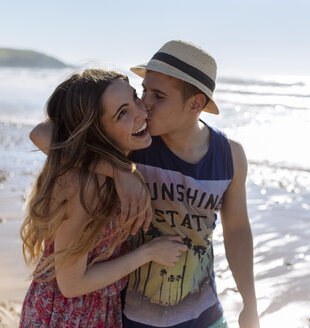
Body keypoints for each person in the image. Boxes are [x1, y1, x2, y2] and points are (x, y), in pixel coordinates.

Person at [31, 41, 260, 328]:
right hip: (133, 316)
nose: (145, 104)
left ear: (195, 103)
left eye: (158, 96)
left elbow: (237, 230)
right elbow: (43, 133)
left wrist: (249, 304)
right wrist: (120, 171)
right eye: (144, 91)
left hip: (205, 314)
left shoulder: (230, 155)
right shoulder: (134, 145)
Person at [20, 68, 188, 328]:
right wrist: (150, 252)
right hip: (67, 318)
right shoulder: (86, 185)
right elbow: (71, 284)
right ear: (95, 129)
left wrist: (121, 170)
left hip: (97, 311)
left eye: (135, 97)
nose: (142, 113)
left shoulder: (113, 162)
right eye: (122, 113)